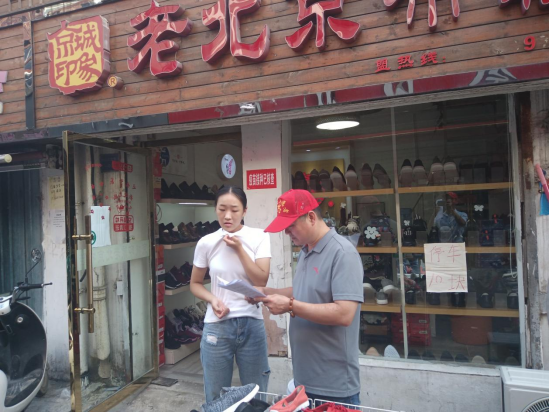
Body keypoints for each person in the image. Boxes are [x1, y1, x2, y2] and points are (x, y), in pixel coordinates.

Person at [254, 189, 364, 405]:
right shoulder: (306, 251)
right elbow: (303, 290)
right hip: (304, 380)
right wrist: (266, 292)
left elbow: (344, 313)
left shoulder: (343, 253)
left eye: (290, 226)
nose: (287, 232)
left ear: (311, 217)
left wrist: (290, 306)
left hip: (334, 386)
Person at [190, 186, 271, 402]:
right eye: (222, 209)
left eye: (234, 210)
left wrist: (239, 249)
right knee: (216, 397)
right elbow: (195, 284)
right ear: (215, 209)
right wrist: (212, 299)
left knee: (257, 394)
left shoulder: (259, 236)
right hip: (217, 326)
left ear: (245, 210)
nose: (227, 216)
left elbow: (261, 280)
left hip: (251, 323)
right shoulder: (206, 242)